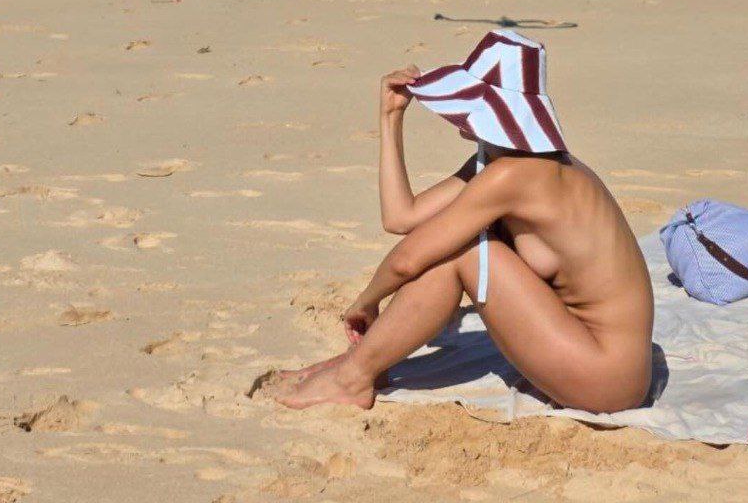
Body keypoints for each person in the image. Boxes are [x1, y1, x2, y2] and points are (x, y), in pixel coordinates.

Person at [274, 30, 654, 414]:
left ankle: (353, 376)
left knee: (461, 251)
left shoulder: (517, 176)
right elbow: (401, 217)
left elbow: (408, 259)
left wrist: (365, 302)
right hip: (583, 350)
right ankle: (365, 365)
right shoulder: (504, 164)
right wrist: (391, 117)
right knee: (454, 244)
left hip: (608, 378)